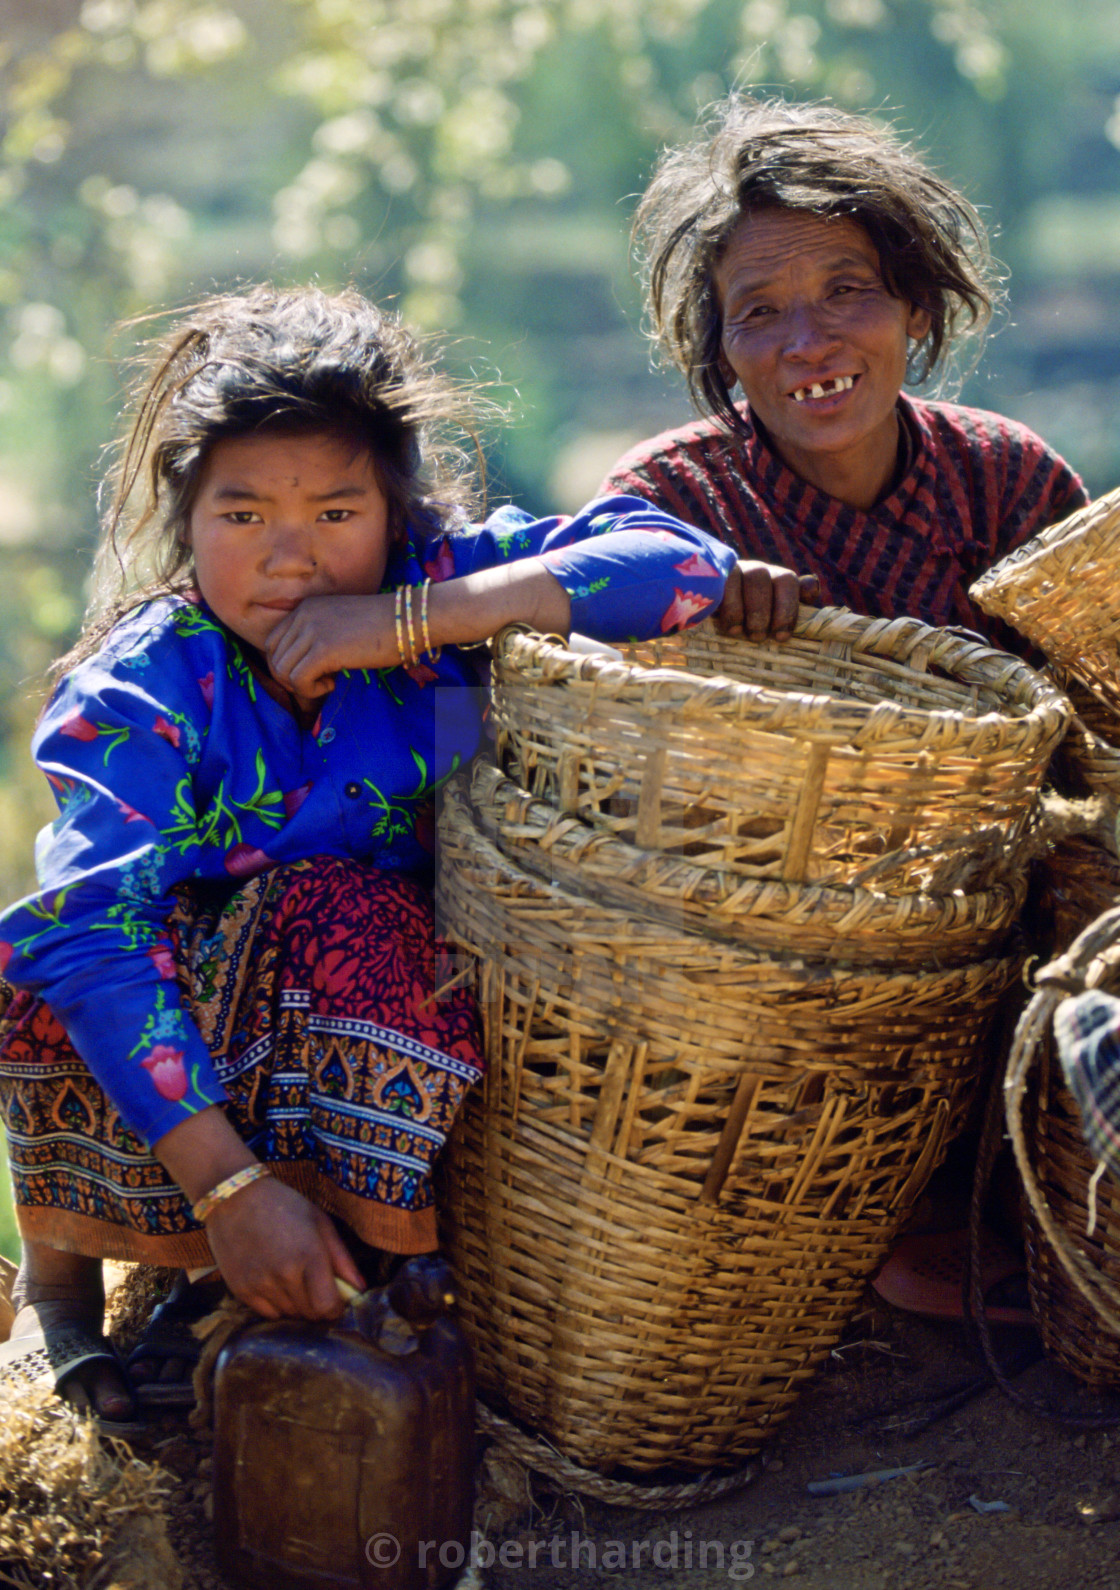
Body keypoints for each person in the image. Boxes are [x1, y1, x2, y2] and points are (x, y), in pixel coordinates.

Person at [0, 284, 737, 1428]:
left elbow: (685, 567)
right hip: (209, 1051)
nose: (289, 559)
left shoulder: (435, 585)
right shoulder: (145, 686)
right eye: (242, 517)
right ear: (185, 521)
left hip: (420, 1012)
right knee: (60, 962)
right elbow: (96, 934)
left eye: (335, 513)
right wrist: (231, 1189)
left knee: (358, 913)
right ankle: (93, 1294)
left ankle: (376, 1266)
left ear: (396, 513)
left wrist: (416, 621)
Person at [601, 95, 1089, 648]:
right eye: (760, 311)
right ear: (721, 351)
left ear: (918, 306)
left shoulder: (1008, 483)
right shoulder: (666, 504)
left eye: (844, 290)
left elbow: (1096, 703)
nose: (808, 345)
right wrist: (702, 604)